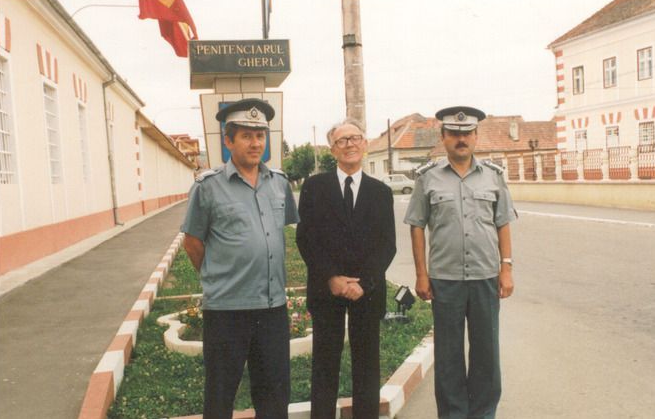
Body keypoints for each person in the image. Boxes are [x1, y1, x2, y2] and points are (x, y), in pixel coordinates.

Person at [180, 98, 298, 419]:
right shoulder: (208, 187)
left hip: (272, 308)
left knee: (274, 396)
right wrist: (220, 275)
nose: (255, 143)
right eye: (246, 135)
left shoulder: (279, 184)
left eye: (260, 135)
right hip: (227, 311)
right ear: (228, 140)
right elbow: (192, 242)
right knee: (220, 396)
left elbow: (278, 233)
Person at [404, 106, 517, 419]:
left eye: (467, 133)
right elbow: (416, 225)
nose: (461, 138)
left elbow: (503, 222)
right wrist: (421, 275)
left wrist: (506, 268)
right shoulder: (428, 179)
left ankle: (482, 414)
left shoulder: (493, 177)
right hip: (445, 279)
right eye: (454, 133)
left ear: (476, 137)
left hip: (485, 277)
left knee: (486, 355)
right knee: (449, 356)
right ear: (442, 138)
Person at [296, 118, 396, 418]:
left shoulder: (380, 192)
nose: (350, 144)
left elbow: (387, 245)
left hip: (367, 291)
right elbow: (306, 239)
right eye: (342, 140)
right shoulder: (315, 187)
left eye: (355, 138)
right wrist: (332, 278)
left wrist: (363, 282)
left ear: (364, 145)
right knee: (325, 364)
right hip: (327, 290)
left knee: (367, 366)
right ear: (332, 150)